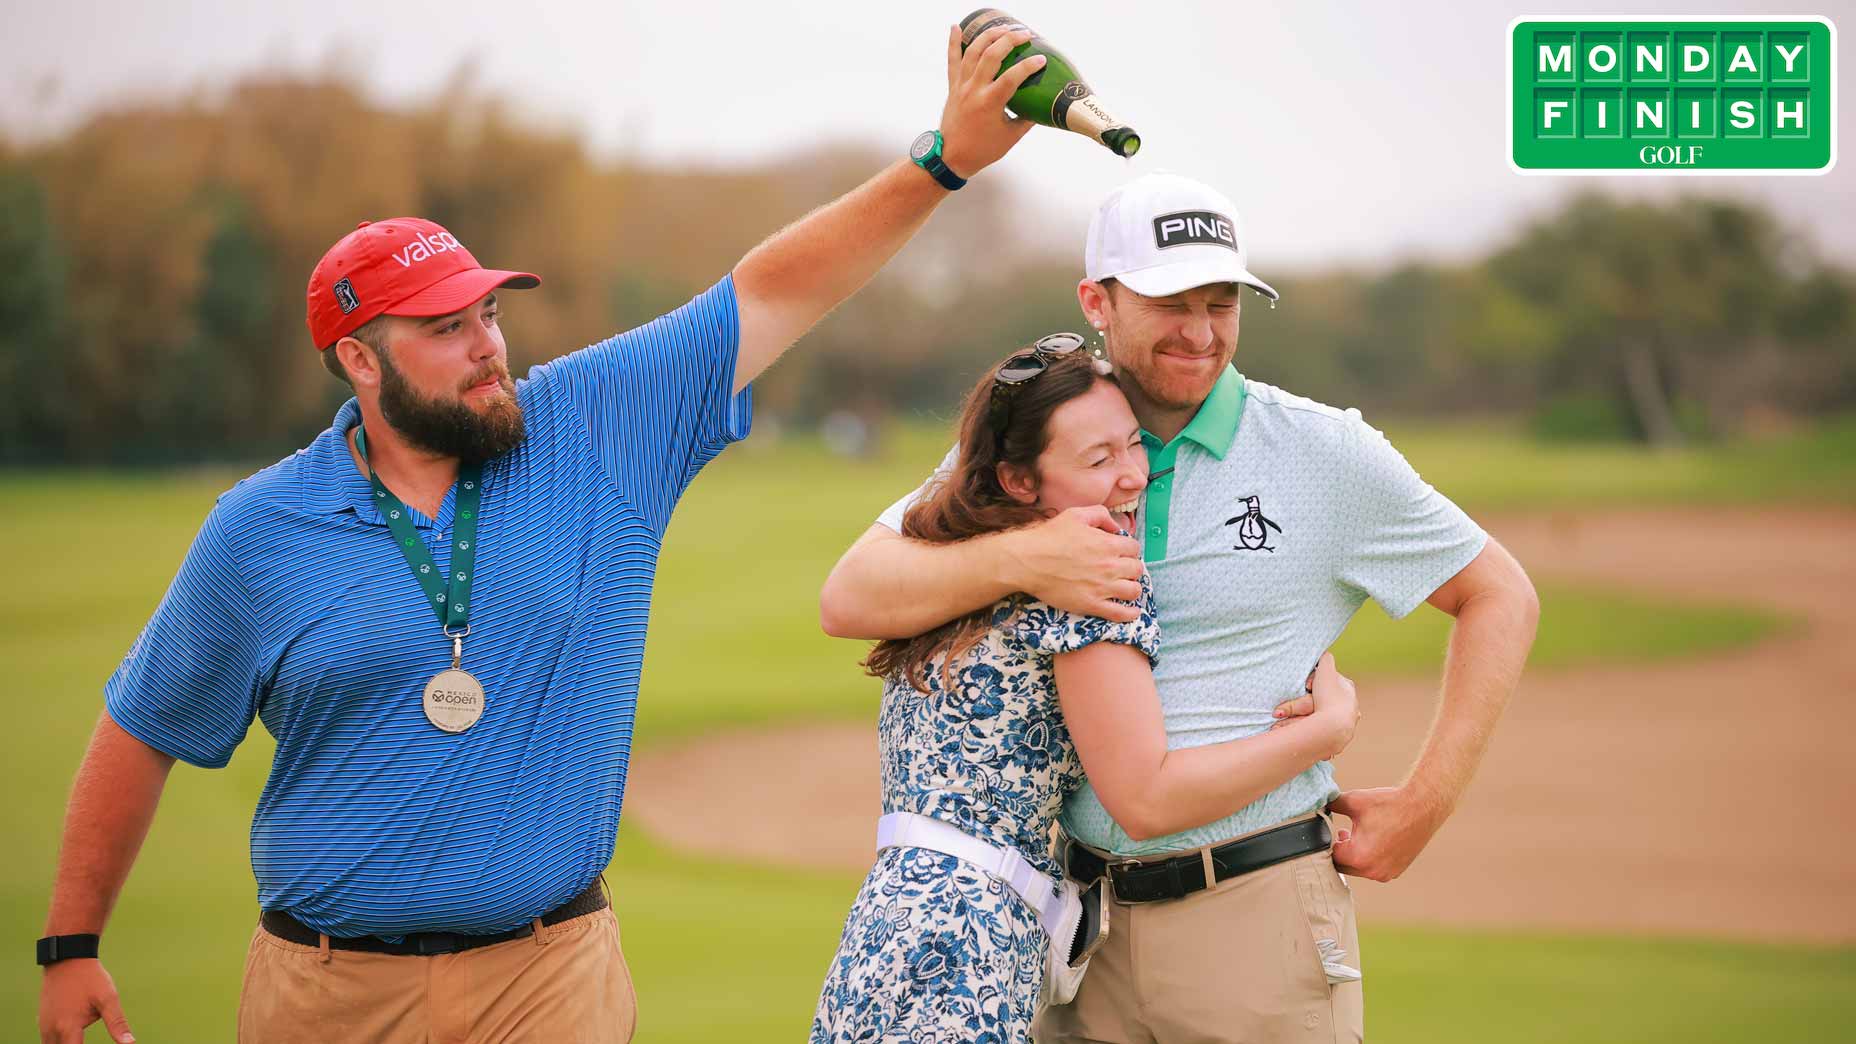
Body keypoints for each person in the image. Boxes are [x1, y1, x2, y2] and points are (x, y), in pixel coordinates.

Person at [35, 23, 1053, 1044]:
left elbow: (776, 287)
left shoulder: (589, 426)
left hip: (547, 979)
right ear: (358, 361)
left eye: (487, 316)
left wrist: (944, 160)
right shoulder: (259, 531)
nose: (487, 349)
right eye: (445, 331)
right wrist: (71, 947)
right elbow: (142, 728)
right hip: (326, 993)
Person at [819, 173, 1541, 1043]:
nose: (1201, 333)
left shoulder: (1323, 451)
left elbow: (1498, 592)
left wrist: (1428, 803)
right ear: (1098, 301)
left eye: (1222, 302)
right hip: (1078, 944)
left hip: (1255, 915)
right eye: (1171, 302)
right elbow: (854, 592)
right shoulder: (1053, 441)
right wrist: (1027, 554)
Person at [810, 341, 1362, 1042]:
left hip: (888, 919)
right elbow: (1147, 797)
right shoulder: (1092, 579)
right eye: (1098, 460)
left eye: (1134, 445)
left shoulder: (952, 558)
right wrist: (1325, 732)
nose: (1134, 474)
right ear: (1018, 480)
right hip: (970, 940)